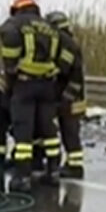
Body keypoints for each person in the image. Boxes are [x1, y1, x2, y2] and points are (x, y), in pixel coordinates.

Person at [0, 0, 62, 193]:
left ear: (17, 9)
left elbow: (9, 56)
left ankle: (22, 178)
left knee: (23, 132)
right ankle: (53, 172)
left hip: (24, 84)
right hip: (47, 85)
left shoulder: (15, 24)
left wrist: (9, 82)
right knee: (48, 130)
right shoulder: (49, 27)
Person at [46, 10, 86, 179]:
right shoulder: (68, 41)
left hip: (71, 96)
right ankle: (72, 163)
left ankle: (75, 167)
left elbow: (63, 68)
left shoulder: (66, 43)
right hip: (73, 94)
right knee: (69, 130)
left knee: (69, 131)